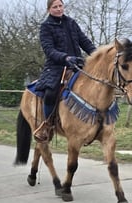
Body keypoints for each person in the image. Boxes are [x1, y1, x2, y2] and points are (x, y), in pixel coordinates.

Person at [33, 0, 96, 142]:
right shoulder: (46, 27)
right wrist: (65, 57)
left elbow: (85, 42)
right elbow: (49, 49)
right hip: (56, 66)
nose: (59, 9)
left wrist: (97, 55)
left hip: (77, 65)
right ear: (49, 9)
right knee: (50, 93)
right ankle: (47, 124)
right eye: (55, 7)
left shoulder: (71, 23)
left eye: (60, 6)